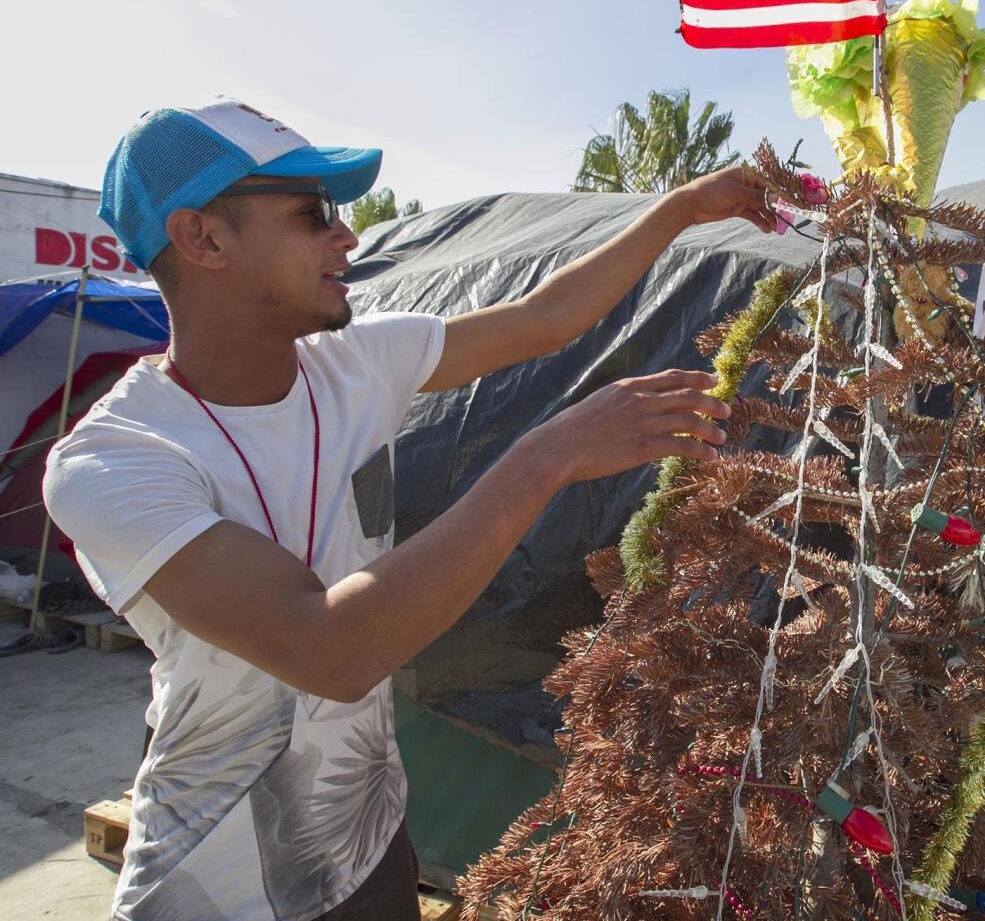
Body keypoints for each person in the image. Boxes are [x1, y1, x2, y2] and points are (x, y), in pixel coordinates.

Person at [42, 98, 772, 920]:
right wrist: (546, 455)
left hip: (373, 848)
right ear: (201, 238)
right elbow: (329, 648)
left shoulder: (354, 363)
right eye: (312, 212)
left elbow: (545, 319)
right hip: (220, 884)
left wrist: (677, 209)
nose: (346, 236)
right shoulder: (114, 462)